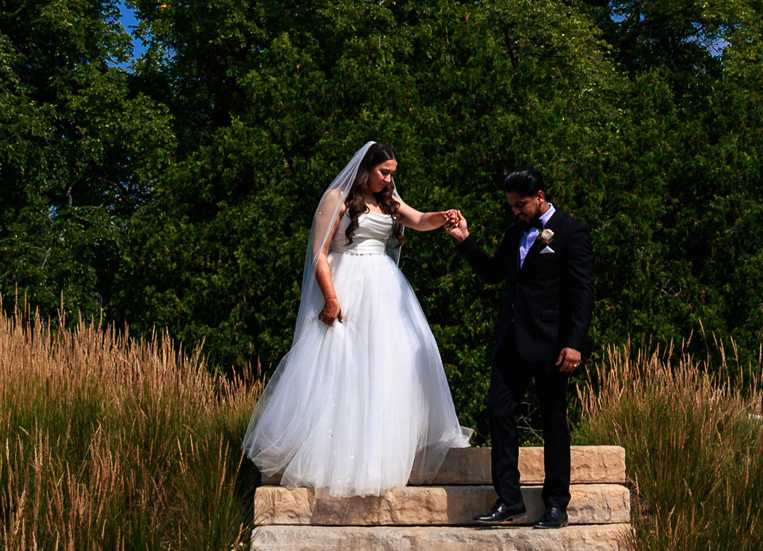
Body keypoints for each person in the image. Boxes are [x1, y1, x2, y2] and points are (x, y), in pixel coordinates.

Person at [241, 141, 474, 495]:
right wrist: (331, 298)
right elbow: (319, 253)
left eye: (392, 174)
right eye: (383, 173)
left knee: (389, 364)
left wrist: (443, 217)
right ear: (366, 168)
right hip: (346, 282)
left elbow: (417, 220)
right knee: (341, 365)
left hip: (384, 288)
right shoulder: (337, 197)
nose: (388, 180)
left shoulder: (388, 201)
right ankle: (334, 457)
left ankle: (380, 455)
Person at [449, 167, 593, 529]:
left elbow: (581, 293)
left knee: (554, 422)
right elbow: (495, 273)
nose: (516, 211)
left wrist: (573, 344)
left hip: (552, 345)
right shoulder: (515, 233)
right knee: (499, 411)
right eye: (512, 205)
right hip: (511, 342)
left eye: (522, 204)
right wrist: (464, 240)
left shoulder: (572, 232)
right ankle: (509, 500)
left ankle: (557, 503)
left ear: (540, 196)